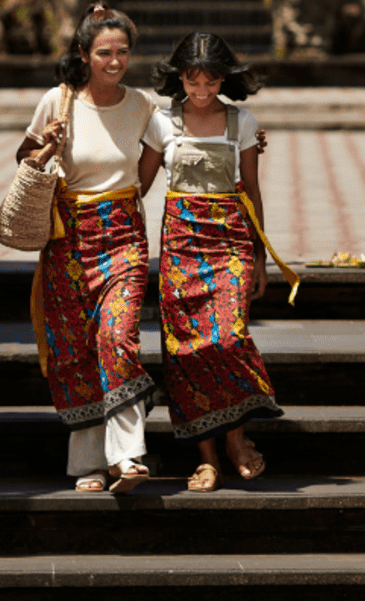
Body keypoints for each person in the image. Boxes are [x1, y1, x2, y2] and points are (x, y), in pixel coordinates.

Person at [137, 32, 297, 492]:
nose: (202, 90)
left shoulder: (242, 122)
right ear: (179, 78)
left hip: (231, 242)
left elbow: (251, 188)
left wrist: (262, 256)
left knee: (226, 338)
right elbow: (139, 185)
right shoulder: (161, 123)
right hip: (181, 246)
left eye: (210, 81)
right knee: (186, 351)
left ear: (224, 79)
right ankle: (207, 457)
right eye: (192, 80)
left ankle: (236, 439)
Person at [16, 3, 156, 493]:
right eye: (103, 53)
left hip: (123, 236)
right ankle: (89, 465)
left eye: (122, 52)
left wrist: (247, 135)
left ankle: (128, 456)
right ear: (84, 53)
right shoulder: (58, 101)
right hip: (68, 237)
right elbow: (25, 156)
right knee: (74, 349)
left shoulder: (141, 104)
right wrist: (48, 145)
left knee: (117, 338)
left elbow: (173, 143)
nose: (114, 62)